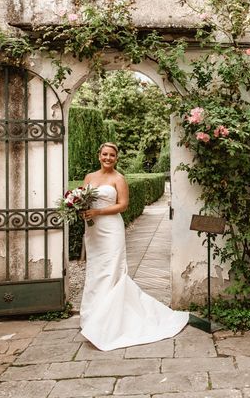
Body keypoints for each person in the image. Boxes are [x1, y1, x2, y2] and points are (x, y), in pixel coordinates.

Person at [79, 142, 189, 351]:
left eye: (112, 155)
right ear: (99, 155)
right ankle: (93, 317)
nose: (108, 158)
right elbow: (84, 200)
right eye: (105, 154)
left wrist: (98, 213)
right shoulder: (89, 177)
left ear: (116, 158)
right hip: (93, 230)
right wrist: (80, 209)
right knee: (95, 270)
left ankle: (111, 321)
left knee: (112, 270)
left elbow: (123, 205)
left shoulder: (118, 179)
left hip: (111, 229)